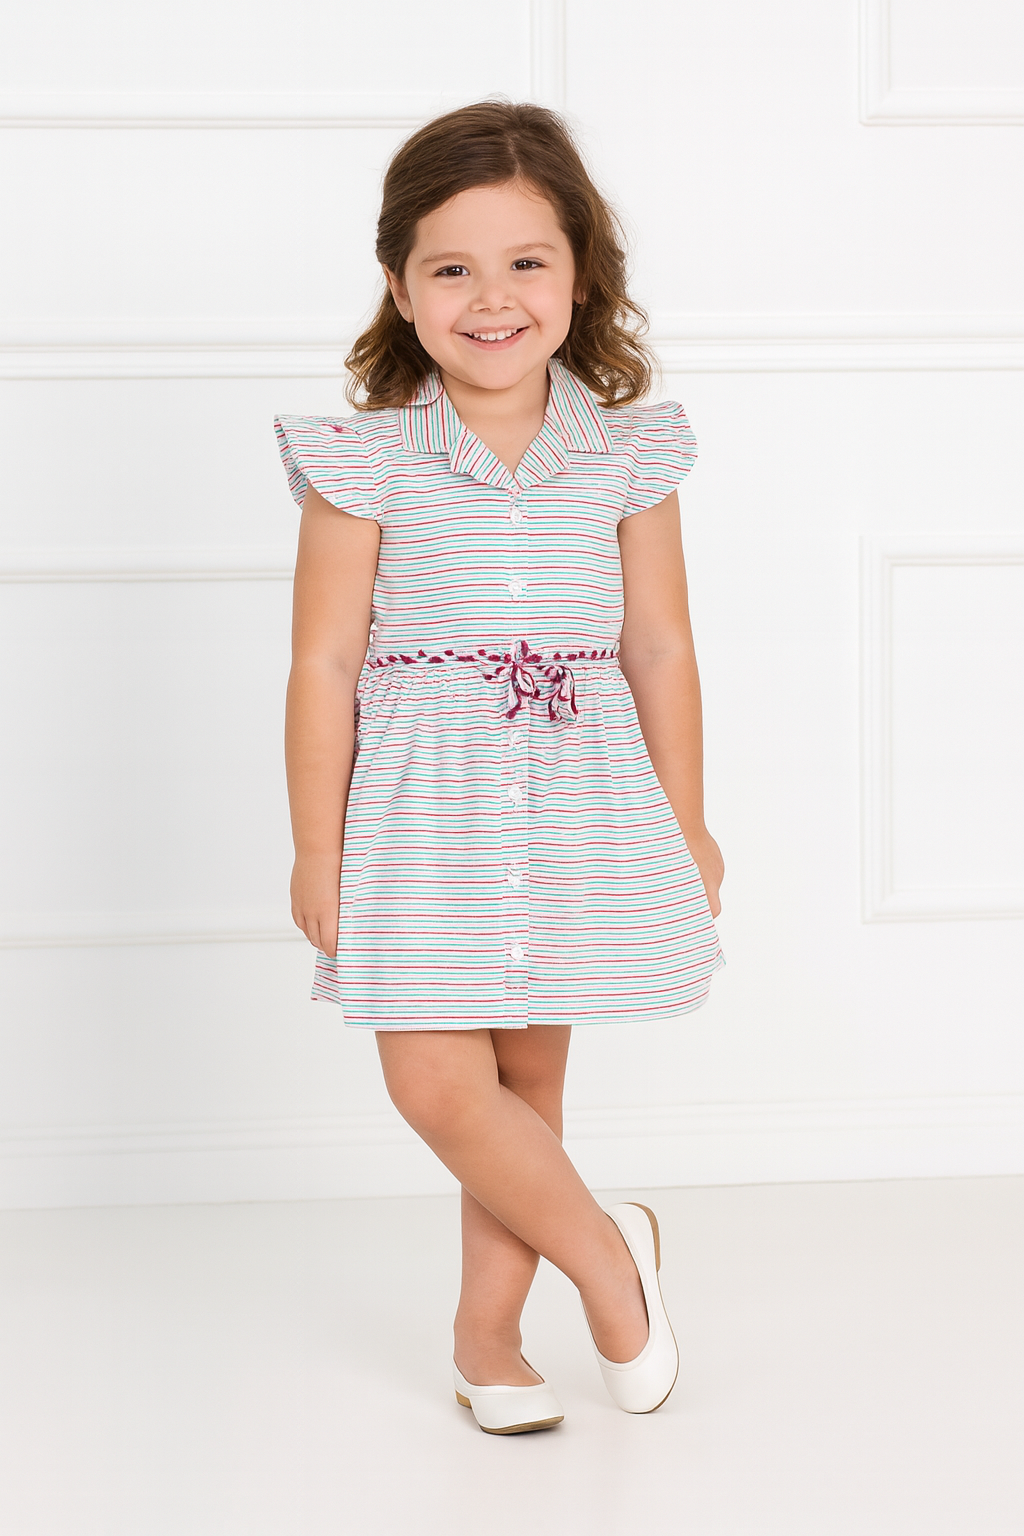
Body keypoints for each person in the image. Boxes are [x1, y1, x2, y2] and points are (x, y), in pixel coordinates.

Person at [275, 100, 724, 1436]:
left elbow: (659, 646)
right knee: (435, 1082)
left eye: (526, 262)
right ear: (402, 289)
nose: (492, 298)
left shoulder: (632, 452)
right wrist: (316, 845)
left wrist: (689, 822)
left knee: (525, 1090)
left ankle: (487, 1342)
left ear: (580, 277)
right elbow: (324, 667)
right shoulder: (362, 461)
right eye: (452, 268)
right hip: (418, 818)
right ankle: (608, 1256)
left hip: (579, 800)